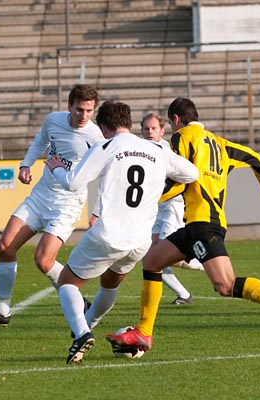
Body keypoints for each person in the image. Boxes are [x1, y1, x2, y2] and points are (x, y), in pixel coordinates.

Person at [106, 97, 260, 356]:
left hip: (203, 224)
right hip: (200, 223)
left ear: (175, 120)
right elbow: (253, 157)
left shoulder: (181, 137)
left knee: (226, 285)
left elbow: (180, 180)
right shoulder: (219, 143)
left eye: (171, 123)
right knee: (152, 261)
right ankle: (144, 332)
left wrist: (145, 199)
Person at [45, 101, 198, 364]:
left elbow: (73, 183)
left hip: (109, 234)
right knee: (110, 283)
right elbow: (191, 174)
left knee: (67, 283)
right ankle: (88, 324)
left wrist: (57, 167)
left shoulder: (106, 146)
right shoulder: (156, 148)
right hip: (139, 241)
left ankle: (82, 333)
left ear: (104, 127)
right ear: (128, 122)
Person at [0, 84, 103, 326]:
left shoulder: (95, 137)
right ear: (69, 106)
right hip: (40, 197)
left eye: (89, 111)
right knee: (5, 247)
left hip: (67, 205)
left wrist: (97, 211)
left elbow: (104, 175)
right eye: (79, 109)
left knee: (43, 260)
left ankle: (79, 303)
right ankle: (2, 311)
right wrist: (25, 165)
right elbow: (40, 142)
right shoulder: (53, 120)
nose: (84, 116)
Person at [140, 113, 204, 305]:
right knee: (150, 256)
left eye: (154, 128)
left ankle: (203, 261)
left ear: (162, 131)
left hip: (172, 206)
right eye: (146, 128)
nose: (150, 132)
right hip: (155, 208)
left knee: (167, 256)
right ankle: (184, 295)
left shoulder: (167, 150)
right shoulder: (141, 150)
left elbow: (186, 174)